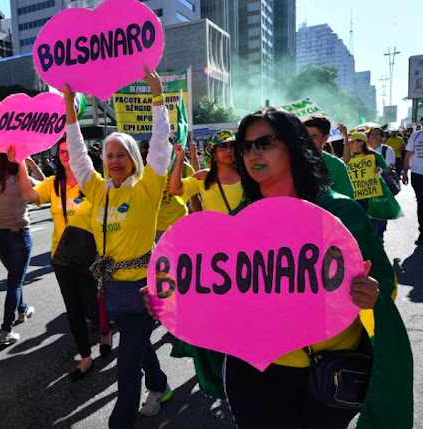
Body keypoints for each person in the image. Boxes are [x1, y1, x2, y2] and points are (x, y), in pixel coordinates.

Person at [149, 108, 413, 428]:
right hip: (253, 371)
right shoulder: (241, 221)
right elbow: (225, 290)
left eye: (264, 143)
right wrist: (171, 295)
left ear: (293, 145)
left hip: (326, 373)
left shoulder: (339, 211)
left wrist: (373, 292)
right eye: (245, 147)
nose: (251, 153)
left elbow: (384, 284)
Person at [64, 66, 172, 427]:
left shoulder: (148, 187)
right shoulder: (97, 191)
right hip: (110, 288)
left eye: (121, 155)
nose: (114, 161)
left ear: (133, 159)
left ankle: (120, 423)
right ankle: (160, 384)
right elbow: (78, 157)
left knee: (126, 369)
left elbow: (160, 145)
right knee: (136, 349)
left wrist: (158, 97)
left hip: (144, 290)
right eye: (108, 155)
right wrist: (70, 112)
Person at [11, 138, 111, 381]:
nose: (67, 155)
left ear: (82, 153)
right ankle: (85, 357)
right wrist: (20, 163)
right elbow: (28, 193)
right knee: (73, 309)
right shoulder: (54, 185)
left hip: (91, 254)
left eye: (71, 151)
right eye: (62, 152)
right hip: (62, 256)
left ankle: (105, 330)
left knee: (92, 307)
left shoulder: (93, 183)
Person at [0, 153, 42, 344]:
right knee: (14, 281)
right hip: (19, 234)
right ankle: (6, 330)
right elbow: (45, 185)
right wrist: (30, 162)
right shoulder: (21, 180)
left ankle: (22, 309)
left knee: (15, 276)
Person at [169, 130, 243, 216]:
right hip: (213, 229)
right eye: (222, 146)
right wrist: (180, 158)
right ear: (214, 154)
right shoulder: (204, 177)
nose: (228, 150)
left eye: (232, 146)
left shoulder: (247, 175)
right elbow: (174, 189)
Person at [349, 132, 392, 240]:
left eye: (353, 142)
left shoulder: (375, 156)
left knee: (375, 221)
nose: (350, 144)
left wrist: (381, 170)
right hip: (356, 196)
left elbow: (388, 170)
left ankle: (377, 241)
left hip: (373, 195)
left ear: (361, 143)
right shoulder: (348, 157)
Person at [303, 116, 355, 198]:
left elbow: (345, 200)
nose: (308, 140)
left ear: (325, 138)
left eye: (314, 137)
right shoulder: (290, 160)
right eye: (305, 135)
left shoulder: (337, 165)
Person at [155, 140, 196, 242]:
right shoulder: (151, 170)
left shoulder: (185, 169)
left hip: (180, 227)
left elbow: (195, 198)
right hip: (155, 230)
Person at [403, 126, 423, 245]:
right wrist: (405, 173)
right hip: (418, 174)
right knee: (421, 203)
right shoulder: (416, 136)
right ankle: (422, 232)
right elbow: (409, 155)